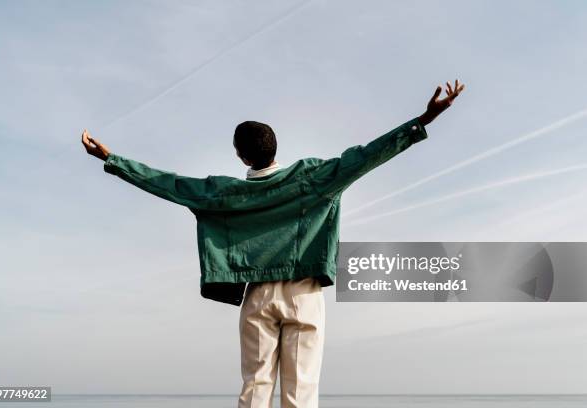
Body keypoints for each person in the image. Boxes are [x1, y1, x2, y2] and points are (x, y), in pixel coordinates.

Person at [81, 80, 465, 408]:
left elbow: (169, 184)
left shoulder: (223, 193)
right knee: (301, 394)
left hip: (258, 297)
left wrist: (113, 159)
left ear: (240, 154)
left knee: (255, 389)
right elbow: (368, 156)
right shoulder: (313, 177)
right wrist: (424, 120)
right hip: (303, 293)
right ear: (274, 148)